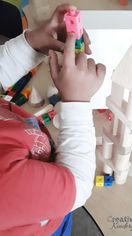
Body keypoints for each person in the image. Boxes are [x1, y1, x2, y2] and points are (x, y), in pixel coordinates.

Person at [0, 3, 106, 236]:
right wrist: (77, 101)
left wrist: (33, 43)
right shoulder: (4, 187)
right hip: (46, 216)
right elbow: (77, 185)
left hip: (43, 186)